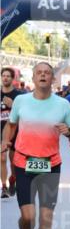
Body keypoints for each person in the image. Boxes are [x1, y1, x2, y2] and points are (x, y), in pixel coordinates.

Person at [3, 62, 70, 229]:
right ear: (34, 78)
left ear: (52, 79)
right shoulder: (21, 101)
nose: (44, 76)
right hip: (24, 163)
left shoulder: (63, 104)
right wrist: (6, 141)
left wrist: (69, 132)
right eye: (39, 73)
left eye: (47, 73)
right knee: (28, 217)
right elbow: (11, 124)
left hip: (50, 164)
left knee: (46, 219)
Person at [1, 67, 26, 199]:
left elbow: (26, 114)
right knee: (2, 158)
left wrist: (12, 105)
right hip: (1, 131)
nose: (5, 78)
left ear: (12, 79)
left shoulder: (19, 96)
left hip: (15, 131)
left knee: (14, 162)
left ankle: (13, 179)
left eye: (8, 76)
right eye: (3, 76)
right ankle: (4, 187)